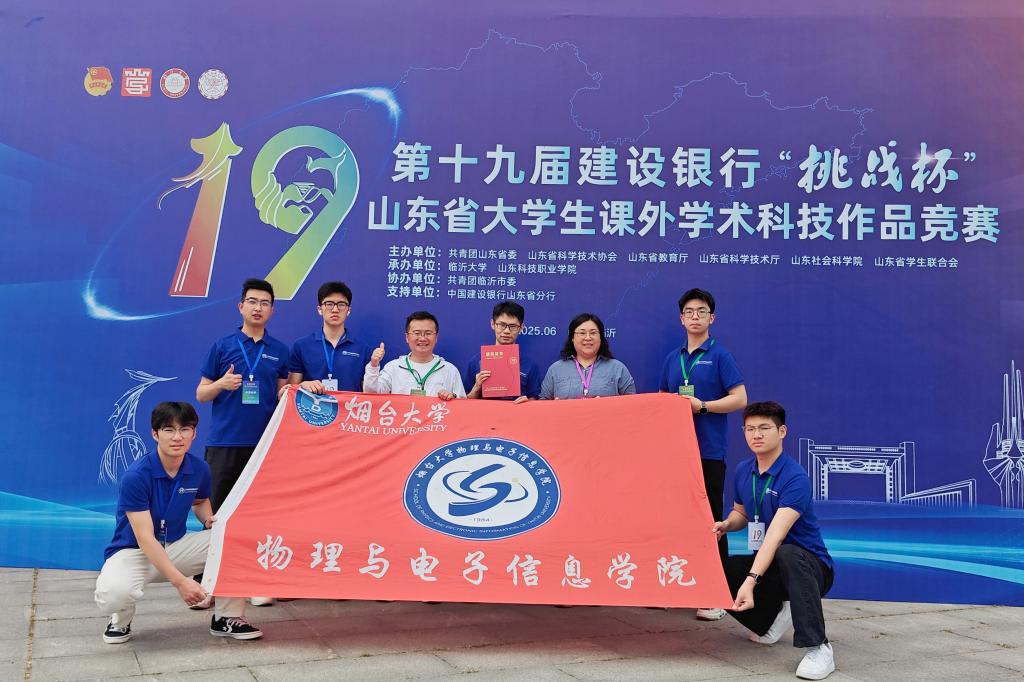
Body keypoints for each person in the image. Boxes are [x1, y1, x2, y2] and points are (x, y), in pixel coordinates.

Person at [94, 402, 262, 642]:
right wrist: (181, 583)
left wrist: (208, 520)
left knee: (233, 539)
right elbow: (145, 538)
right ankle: (120, 619)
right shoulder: (136, 476)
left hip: (175, 545)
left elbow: (200, 501)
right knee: (113, 595)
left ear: (194, 433)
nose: (177, 437)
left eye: (184, 429)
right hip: (134, 551)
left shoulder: (199, 468)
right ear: (155, 434)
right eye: (168, 430)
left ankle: (227, 618)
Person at [713, 401, 835, 680]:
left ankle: (819, 648)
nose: (756, 435)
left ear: (782, 432)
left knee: (787, 552)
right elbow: (742, 513)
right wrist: (727, 525)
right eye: (750, 429)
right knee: (718, 569)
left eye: (764, 428)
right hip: (773, 564)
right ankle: (770, 620)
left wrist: (750, 581)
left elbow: (775, 536)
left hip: (810, 567)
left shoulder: (795, 477)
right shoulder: (744, 470)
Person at [196, 278, 289, 607]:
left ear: (272, 310)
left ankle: (255, 582)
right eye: (252, 301)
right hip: (224, 442)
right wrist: (221, 384)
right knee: (216, 515)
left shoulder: (279, 351)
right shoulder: (222, 346)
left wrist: (296, 390)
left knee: (258, 514)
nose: (258, 308)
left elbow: (282, 393)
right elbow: (201, 393)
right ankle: (209, 585)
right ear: (241, 306)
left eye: (264, 303)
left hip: (264, 446)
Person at [658, 288, 747, 621]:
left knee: (711, 521)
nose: (695, 317)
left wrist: (704, 406)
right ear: (681, 319)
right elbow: (662, 399)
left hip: (708, 451)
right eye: (689, 312)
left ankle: (715, 594)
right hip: (676, 453)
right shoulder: (673, 358)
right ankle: (676, 586)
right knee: (674, 518)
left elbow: (740, 398)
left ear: (712, 317)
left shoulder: (720, 355)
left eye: (702, 311)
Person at [286, 281, 372, 395]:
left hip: (350, 406)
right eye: (329, 304)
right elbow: (290, 391)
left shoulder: (363, 349)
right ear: (319, 309)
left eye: (341, 304)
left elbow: (369, 393)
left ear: (348, 311)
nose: (335, 309)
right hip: (313, 406)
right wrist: (303, 385)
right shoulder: (301, 346)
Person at [362, 310, 465, 399]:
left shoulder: (450, 370)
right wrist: (373, 365)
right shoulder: (393, 367)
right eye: (417, 333)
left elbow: (463, 404)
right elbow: (371, 394)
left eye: (428, 333)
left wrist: (453, 397)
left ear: (436, 337)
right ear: (407, 337)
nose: (422, 338)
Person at [539, 313, 635, 399]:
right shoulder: (556, 369)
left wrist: (607, 406)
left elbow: (632, 404)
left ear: (601, 338)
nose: (588, 338)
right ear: (572, 338)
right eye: (582, 333)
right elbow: (542, 404)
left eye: (593, 333)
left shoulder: (617, 369)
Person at [464, 300, 542, 403]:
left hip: (517, 413)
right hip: (485, 413)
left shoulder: (530, 365)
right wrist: (477, 388)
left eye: (513, 326)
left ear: (521, 328)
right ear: (493, 324)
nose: (506, 331)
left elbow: (534, 399)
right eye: (501, 325)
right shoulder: (476, 361)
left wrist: (528, 402)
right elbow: (465, 402)